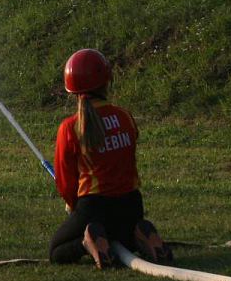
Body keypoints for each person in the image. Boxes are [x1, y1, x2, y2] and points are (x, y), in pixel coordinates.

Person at [48, 49, 172, 269]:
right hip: (131, 205)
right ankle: (139, 235)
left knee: (56, 250)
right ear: (106, 82)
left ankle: (88, 242)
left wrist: (74, 206)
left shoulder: (70, 127)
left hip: (94, 207)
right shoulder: (125, 116)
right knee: (120, 239)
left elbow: (66, 182)